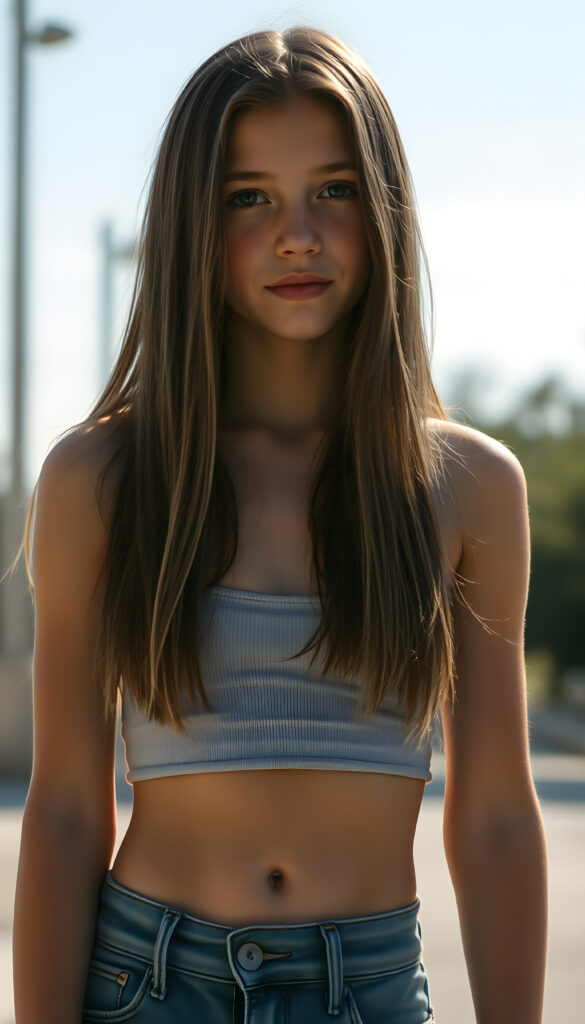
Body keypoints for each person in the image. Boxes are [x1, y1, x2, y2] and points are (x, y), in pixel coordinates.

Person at [12, 26, 547, 1024]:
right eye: (249, 198)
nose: (296, 233)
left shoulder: (468, 485)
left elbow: (499, 818)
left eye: (334, 190)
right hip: (148, 983)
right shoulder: (106, 478)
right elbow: (69, 808)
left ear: (384, 211)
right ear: (193, 228)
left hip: (369, 990)